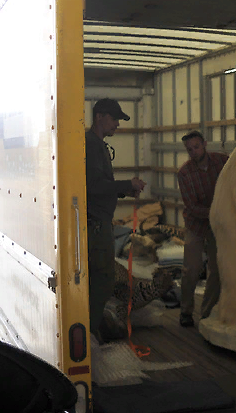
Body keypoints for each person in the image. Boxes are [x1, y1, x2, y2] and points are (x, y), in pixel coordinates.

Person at [85, 98, 146, 343]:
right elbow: (93, 186)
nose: (118, 124)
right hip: (96, 224)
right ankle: (90, 333)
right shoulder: (91, 145)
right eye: (115, 118)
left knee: (100, 278)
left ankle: (92, 327)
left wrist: (123, 190)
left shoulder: (96, 144)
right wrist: (125, 185)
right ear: (100, 116)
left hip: (98, 221)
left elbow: (99, 186)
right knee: (102, 278)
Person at [177, 130, 229, 327]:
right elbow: (192, 207)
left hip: (219, 224)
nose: (193, 152)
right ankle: (185, 311)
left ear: (205, 144)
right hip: (196, 224)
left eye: (196, 147)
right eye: (189, 149)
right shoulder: (184, 174)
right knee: (191, 269)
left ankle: (207, 314)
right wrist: (219, 212)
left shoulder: (223, 162)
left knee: (216, 269)